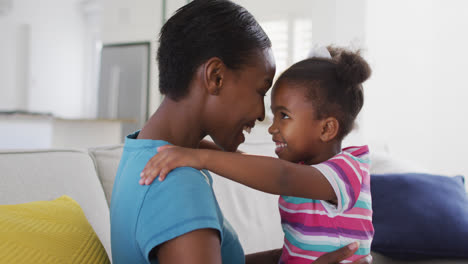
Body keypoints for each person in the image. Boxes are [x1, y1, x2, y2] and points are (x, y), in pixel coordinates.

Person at [110, 0, 372, 263]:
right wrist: (197, 155)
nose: (262, 115)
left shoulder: (143, 154)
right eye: (260, 91)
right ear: (216, 77)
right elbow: (278, 175)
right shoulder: (175, 184)